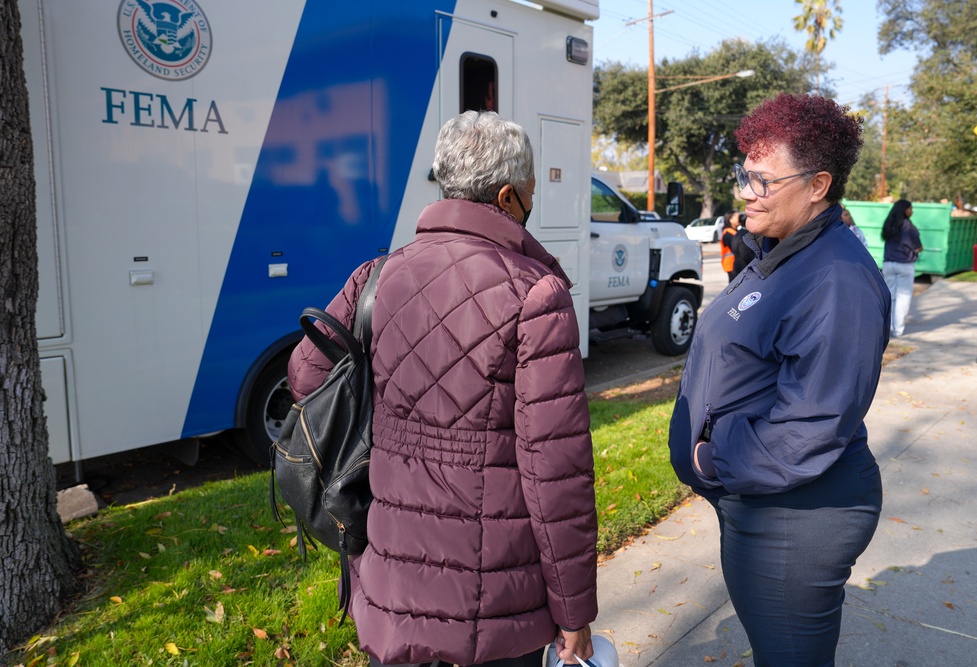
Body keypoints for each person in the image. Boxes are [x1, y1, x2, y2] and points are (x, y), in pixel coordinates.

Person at [287, 111, 598, 667]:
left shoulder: (376, 276)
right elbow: (556, 472)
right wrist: (574, 612)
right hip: (498, 599)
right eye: (530, 195)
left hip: (390, 572)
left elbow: (306, 375)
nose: (531, 208)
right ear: (507, 198)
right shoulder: (537, 295)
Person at [668, 93, 890, 667]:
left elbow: (813, 421)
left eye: (762, 180)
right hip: (764, 504)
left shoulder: (837, 278)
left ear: (817, 185)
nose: (744, 190)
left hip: (796, 519)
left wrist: (715, 459)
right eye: (743, 173)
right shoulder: (785, 252)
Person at [881, 199, 922, 337]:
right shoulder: (909, 227)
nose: (912, 211)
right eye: (910, 209)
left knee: (890, 297)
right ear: (904, 210)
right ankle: (898, 329)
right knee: (903, 297)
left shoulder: (889, 224)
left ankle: (889, 326)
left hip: (888, 264)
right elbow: (918, 246)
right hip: (905, 265)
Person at [719, 209, 740, 279]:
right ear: (730, 219)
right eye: (738, 217)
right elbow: (737, 249)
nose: (739, 219)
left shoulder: (734, 232)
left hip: (735, 264)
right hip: (732, 265)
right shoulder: (728, 234)